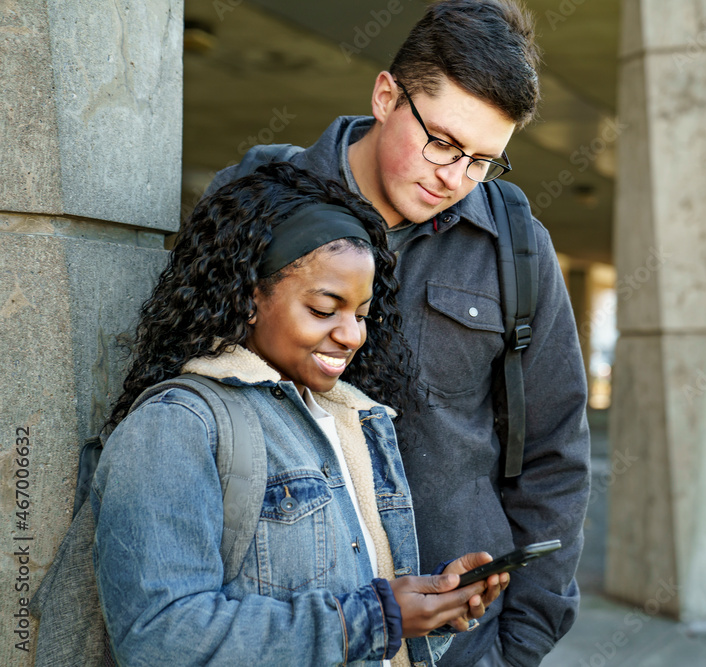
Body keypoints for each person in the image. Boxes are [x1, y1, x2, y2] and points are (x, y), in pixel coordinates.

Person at [205, 2, 591, 665]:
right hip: (288, 629)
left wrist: (519, 644)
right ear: (386, 95)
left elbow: (556, 450)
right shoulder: (259, 199)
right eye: (441, 142)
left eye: (482, 161)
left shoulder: (517, 246)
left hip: (463, 644)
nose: (454, 178)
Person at [94, 163, 508, 666]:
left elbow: (353, 606)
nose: (352, 335)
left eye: (361, 313)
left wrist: (427, 608)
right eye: (323, 309)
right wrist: (377, 618)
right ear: (249, 297)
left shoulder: (351, 418)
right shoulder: (176, 426)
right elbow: (161, 638)